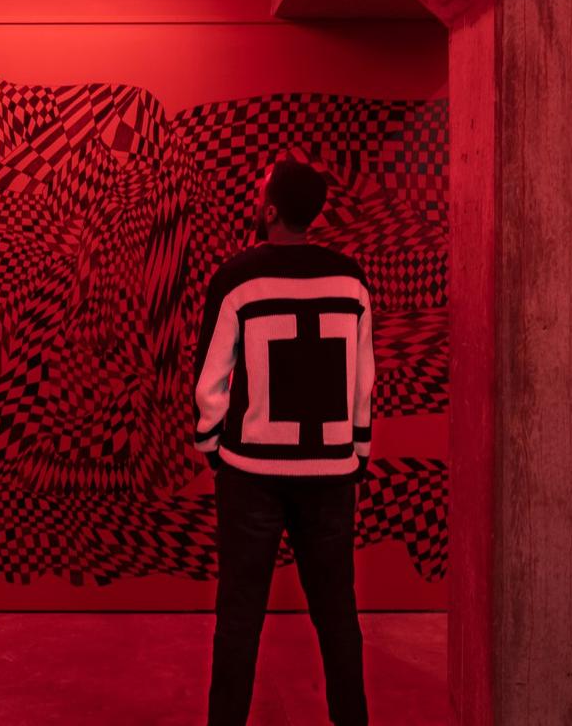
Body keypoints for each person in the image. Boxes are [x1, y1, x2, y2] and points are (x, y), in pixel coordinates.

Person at [193, 159, 375, 726]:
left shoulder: (237, 278)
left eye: (258, 191)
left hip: (251, 472)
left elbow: (210, 382)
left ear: (270, 209)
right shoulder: (352, 281)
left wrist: (211, 447)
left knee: (239, 616)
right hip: (332, 472)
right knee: (338, 614)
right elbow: (363, 381)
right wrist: (357, 452)